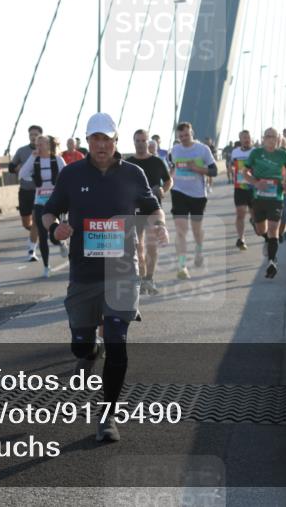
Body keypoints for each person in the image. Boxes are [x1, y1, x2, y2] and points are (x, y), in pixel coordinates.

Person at [41, 112, 168, 442]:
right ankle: (88, 352)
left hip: (122, 271)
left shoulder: (133, 174)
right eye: (95, 139)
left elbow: (153, 206)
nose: (101, 145)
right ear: (87, 142)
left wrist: (159, 223)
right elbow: (48, 212)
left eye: (106, 139)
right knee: (81, 345)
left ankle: (107, 416)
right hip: (83, 273)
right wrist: (57, 228)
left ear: (116, 141)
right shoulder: (71, 174)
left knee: (118, 341)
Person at [125, 129, 172, 294]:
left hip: (153, 209)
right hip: (134, 210)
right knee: (137, 247)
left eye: (143, 140)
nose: (140, 143)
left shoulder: (157, 162)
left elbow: (168, 180)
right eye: (137, 140)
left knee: (152, 246)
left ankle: (149, 279)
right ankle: (142, 277)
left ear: (148, 142)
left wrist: (163, 190)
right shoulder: (128, 163)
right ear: (133, 142)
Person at [168, 122, 218, 279]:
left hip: (197, 195)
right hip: (178, 192)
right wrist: (166, 182)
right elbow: (171, 168)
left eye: (186, 135)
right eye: (180, 136)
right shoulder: (174, 150)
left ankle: (199, 248)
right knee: (181, 230)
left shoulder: (203, 149)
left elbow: (214, 171)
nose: (183, 138)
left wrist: (197, 169)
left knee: (196, 230)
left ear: (192, 133)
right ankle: (182, 266)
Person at [243, 128, 286, 279]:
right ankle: (265, 238)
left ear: (278, 139)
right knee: (260, 230)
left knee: (274, 230)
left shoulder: (283, 154)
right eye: (268, 136)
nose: (271, 139)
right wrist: (255, 182)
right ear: (263, 138)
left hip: (276, 197)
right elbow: (245, 172)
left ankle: (272, 262)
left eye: (273, 137)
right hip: (259, 197)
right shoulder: (256, 153)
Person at [19, 135, 68, 278]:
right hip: (40, 201)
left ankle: (60, 243)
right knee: (42, 233)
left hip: (55, 201)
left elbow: (66, 175)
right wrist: (31, 158)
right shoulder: (35, 160)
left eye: (41, 144)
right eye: (37, 145)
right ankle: (46, 266)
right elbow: (23, 174)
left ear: (49, 145)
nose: (38, 147)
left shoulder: (57, 159)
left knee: (54, 234)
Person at [9, 125, 43, 261]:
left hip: (39, 192)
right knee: (26, 223)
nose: (33, 137)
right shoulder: (22, 151)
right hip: (24, 191)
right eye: (31, 134)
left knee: (35, 222)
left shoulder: (45, 151)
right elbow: (11, 167)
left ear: (40, 136)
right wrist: (20, 169)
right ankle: (38, 233)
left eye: (35, 134)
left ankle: (31, 250)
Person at [229, 131, 255, 250]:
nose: (246, 139)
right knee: (240, 213)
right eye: (244, 138)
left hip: (253, 187)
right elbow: (231, 165)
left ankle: (253, 220)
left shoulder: (255, 152)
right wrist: (231, 170)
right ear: (240, 139)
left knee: (255, 214)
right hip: (240, 187)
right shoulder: (235, 152)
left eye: (248, 137)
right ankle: (241, 238)